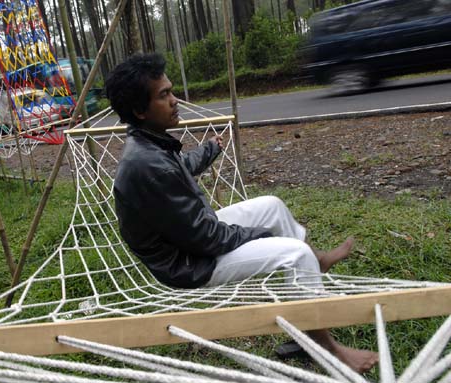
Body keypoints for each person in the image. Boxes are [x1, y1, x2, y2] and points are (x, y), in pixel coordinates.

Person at [107, 52, 378, 373]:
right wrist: (260, 236)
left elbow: (181, 168)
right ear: (139, 110)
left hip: (190, 237)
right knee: (294, 253)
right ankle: (326, 348)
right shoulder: (147, 165)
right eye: (164, 95)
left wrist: (210, 149)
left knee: (271, 207)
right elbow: (207, 239)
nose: (175, 100)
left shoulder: (150, 145)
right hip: (188, 263)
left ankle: (311, 281)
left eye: (171, 91)